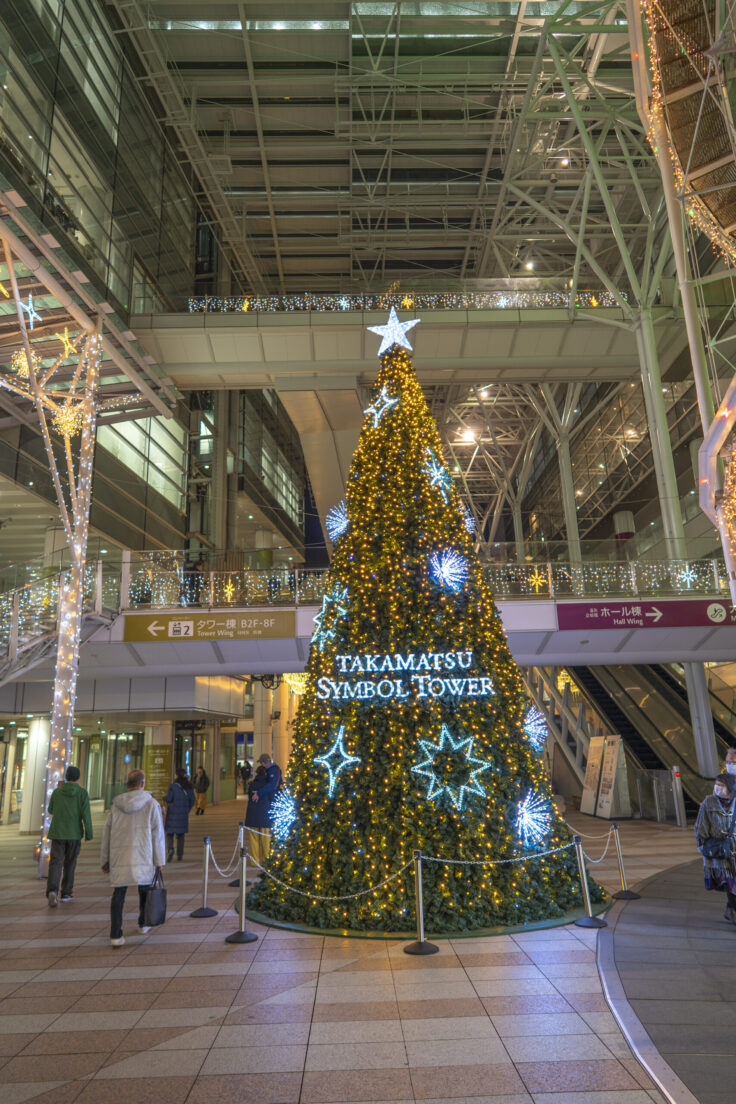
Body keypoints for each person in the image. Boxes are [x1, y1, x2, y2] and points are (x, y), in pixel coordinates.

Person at [100, 768, 165, 947]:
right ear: (142, 784)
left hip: (119, 856)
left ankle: (115, 934)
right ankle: (143, 923)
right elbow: (157, 834)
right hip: (144, 854)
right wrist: (159, 861)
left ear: (128, 784)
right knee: (144, 890)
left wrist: (104, 860)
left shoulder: (116, 805)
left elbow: (107, 834)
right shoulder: (151, 804)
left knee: (118, 894)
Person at [46, 765, 93, 908]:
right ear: (78, 777)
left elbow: (50, 810)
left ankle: (52, 891)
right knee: (70, 864)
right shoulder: (82, 793)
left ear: (66, 777)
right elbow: (86, 815)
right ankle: (66, 893)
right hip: (74, 834)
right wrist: (89, 833)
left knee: (56, 863)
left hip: (58, 833)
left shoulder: (57, 792)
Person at [695, 772, 736, 922]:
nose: (718, 788)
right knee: (730, 882)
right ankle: (732, 909)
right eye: (717, 784)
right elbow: (701, 827)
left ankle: (731, 909)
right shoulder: (709, 802)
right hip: (720, 851)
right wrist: (703, 845)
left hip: (734, 849)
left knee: (732, 884)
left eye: (722, 785)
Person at [163, 768, 195, 860]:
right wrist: (186, 810)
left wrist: (164, 797)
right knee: (181, 835)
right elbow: (192, 800)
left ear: (177, 776)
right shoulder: (189, 787)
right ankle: (180, 854)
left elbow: (169, 798)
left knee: (169, 833)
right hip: (183, 814)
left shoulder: (173, 786)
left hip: (172, 813)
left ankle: (170, 850)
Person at [245, 764, 272, 869]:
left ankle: (254, 861)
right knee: (266, 839)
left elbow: (249, 797)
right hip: (265, 815)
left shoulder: (252, 785)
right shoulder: (267, 785)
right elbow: (270, 798)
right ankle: (266, 860)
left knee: (254, 839)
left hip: (253, 815)